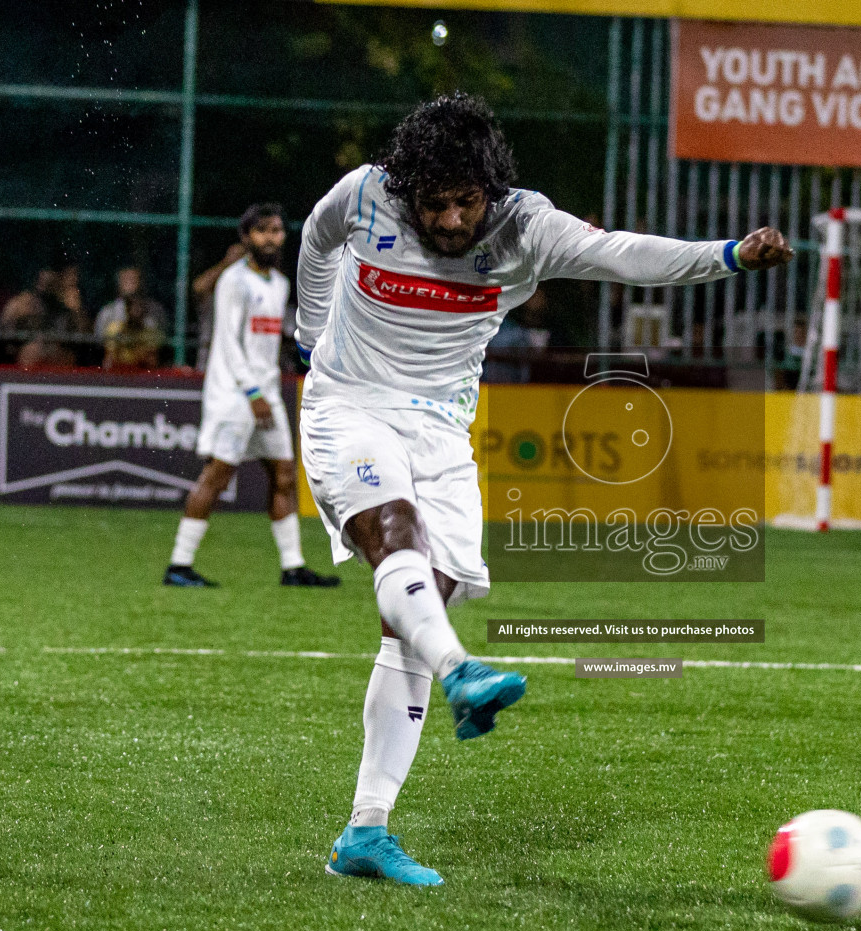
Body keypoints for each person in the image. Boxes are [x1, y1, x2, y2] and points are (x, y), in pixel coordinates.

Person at [294, 93, 793, 885]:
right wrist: (309, 328)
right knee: (396, 537)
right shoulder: (363, 194)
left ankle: (365, 830)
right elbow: (317, 242)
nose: (452, 220)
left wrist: (728, 255)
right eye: (435, 204)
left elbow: (625, 253)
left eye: (466, 202)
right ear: (406, 188)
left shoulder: (525, 227)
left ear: (489, 187)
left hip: (441, 431)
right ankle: (464, 672)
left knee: (424, 604)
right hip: (348, 407)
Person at [162, 203, 340, 589]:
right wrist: (253, 391)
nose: (271, 237)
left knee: (284, 474)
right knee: (218, 474)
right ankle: (179, 564)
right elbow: (228, 344)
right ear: (246, 238)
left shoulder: (278, 283)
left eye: (276, 230)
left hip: (266, 393)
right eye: (262, 231)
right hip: (234, 393)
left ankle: (292, 567)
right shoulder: (233, 281)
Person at [191, 242, 247, 371]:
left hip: (242, 356)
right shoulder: (215, 292)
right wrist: (227, 263)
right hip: (212, 355)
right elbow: (198, 287)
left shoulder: (252, 288)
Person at [94, 266, 170, 341]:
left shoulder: (156, 311)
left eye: (135, 279)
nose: (131, 283)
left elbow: (163, 338)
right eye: (127, 280)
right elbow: (100, 341)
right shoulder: (107, 313)